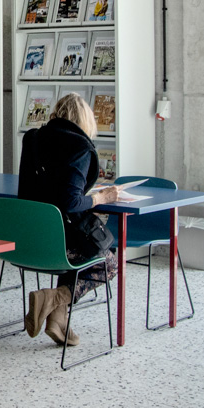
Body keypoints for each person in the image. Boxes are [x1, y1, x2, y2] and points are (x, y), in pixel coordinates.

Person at [16, 92, 119, 346]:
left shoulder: (33, 138)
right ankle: (52, 298)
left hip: (26, 239)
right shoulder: (80, 148)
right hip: (59, 244)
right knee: (109, 262)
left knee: (78, 241)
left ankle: (57, 320)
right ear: (85, 120)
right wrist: (99, 198)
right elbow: (70, 202)